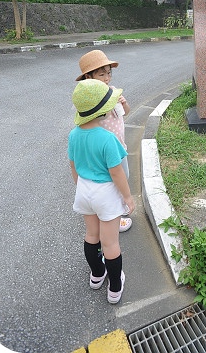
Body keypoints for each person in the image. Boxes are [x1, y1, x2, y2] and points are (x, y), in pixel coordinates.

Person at [68, 79, 135, 304]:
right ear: (103, 111)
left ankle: (97, 275)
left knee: (91, 235)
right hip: (105, 193)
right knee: (110, 243)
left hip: (84, 189)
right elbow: (117, 173)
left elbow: (73, 165)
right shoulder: (108, 139)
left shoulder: (73, 135)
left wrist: (81, 186)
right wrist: (127, 197)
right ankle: (115, 287)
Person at [76, 49, 132, 232]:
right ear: (88, 76)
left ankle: (120, 208)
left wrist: (123, 103)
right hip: (104, 151)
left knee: (124, 177)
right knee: (111, 182)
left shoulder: (113, 92)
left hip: (119, 147)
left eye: (109, 73)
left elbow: (127, 112)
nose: (107, 78)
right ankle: (116, 215)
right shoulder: (90, 100)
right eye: (102, 74)